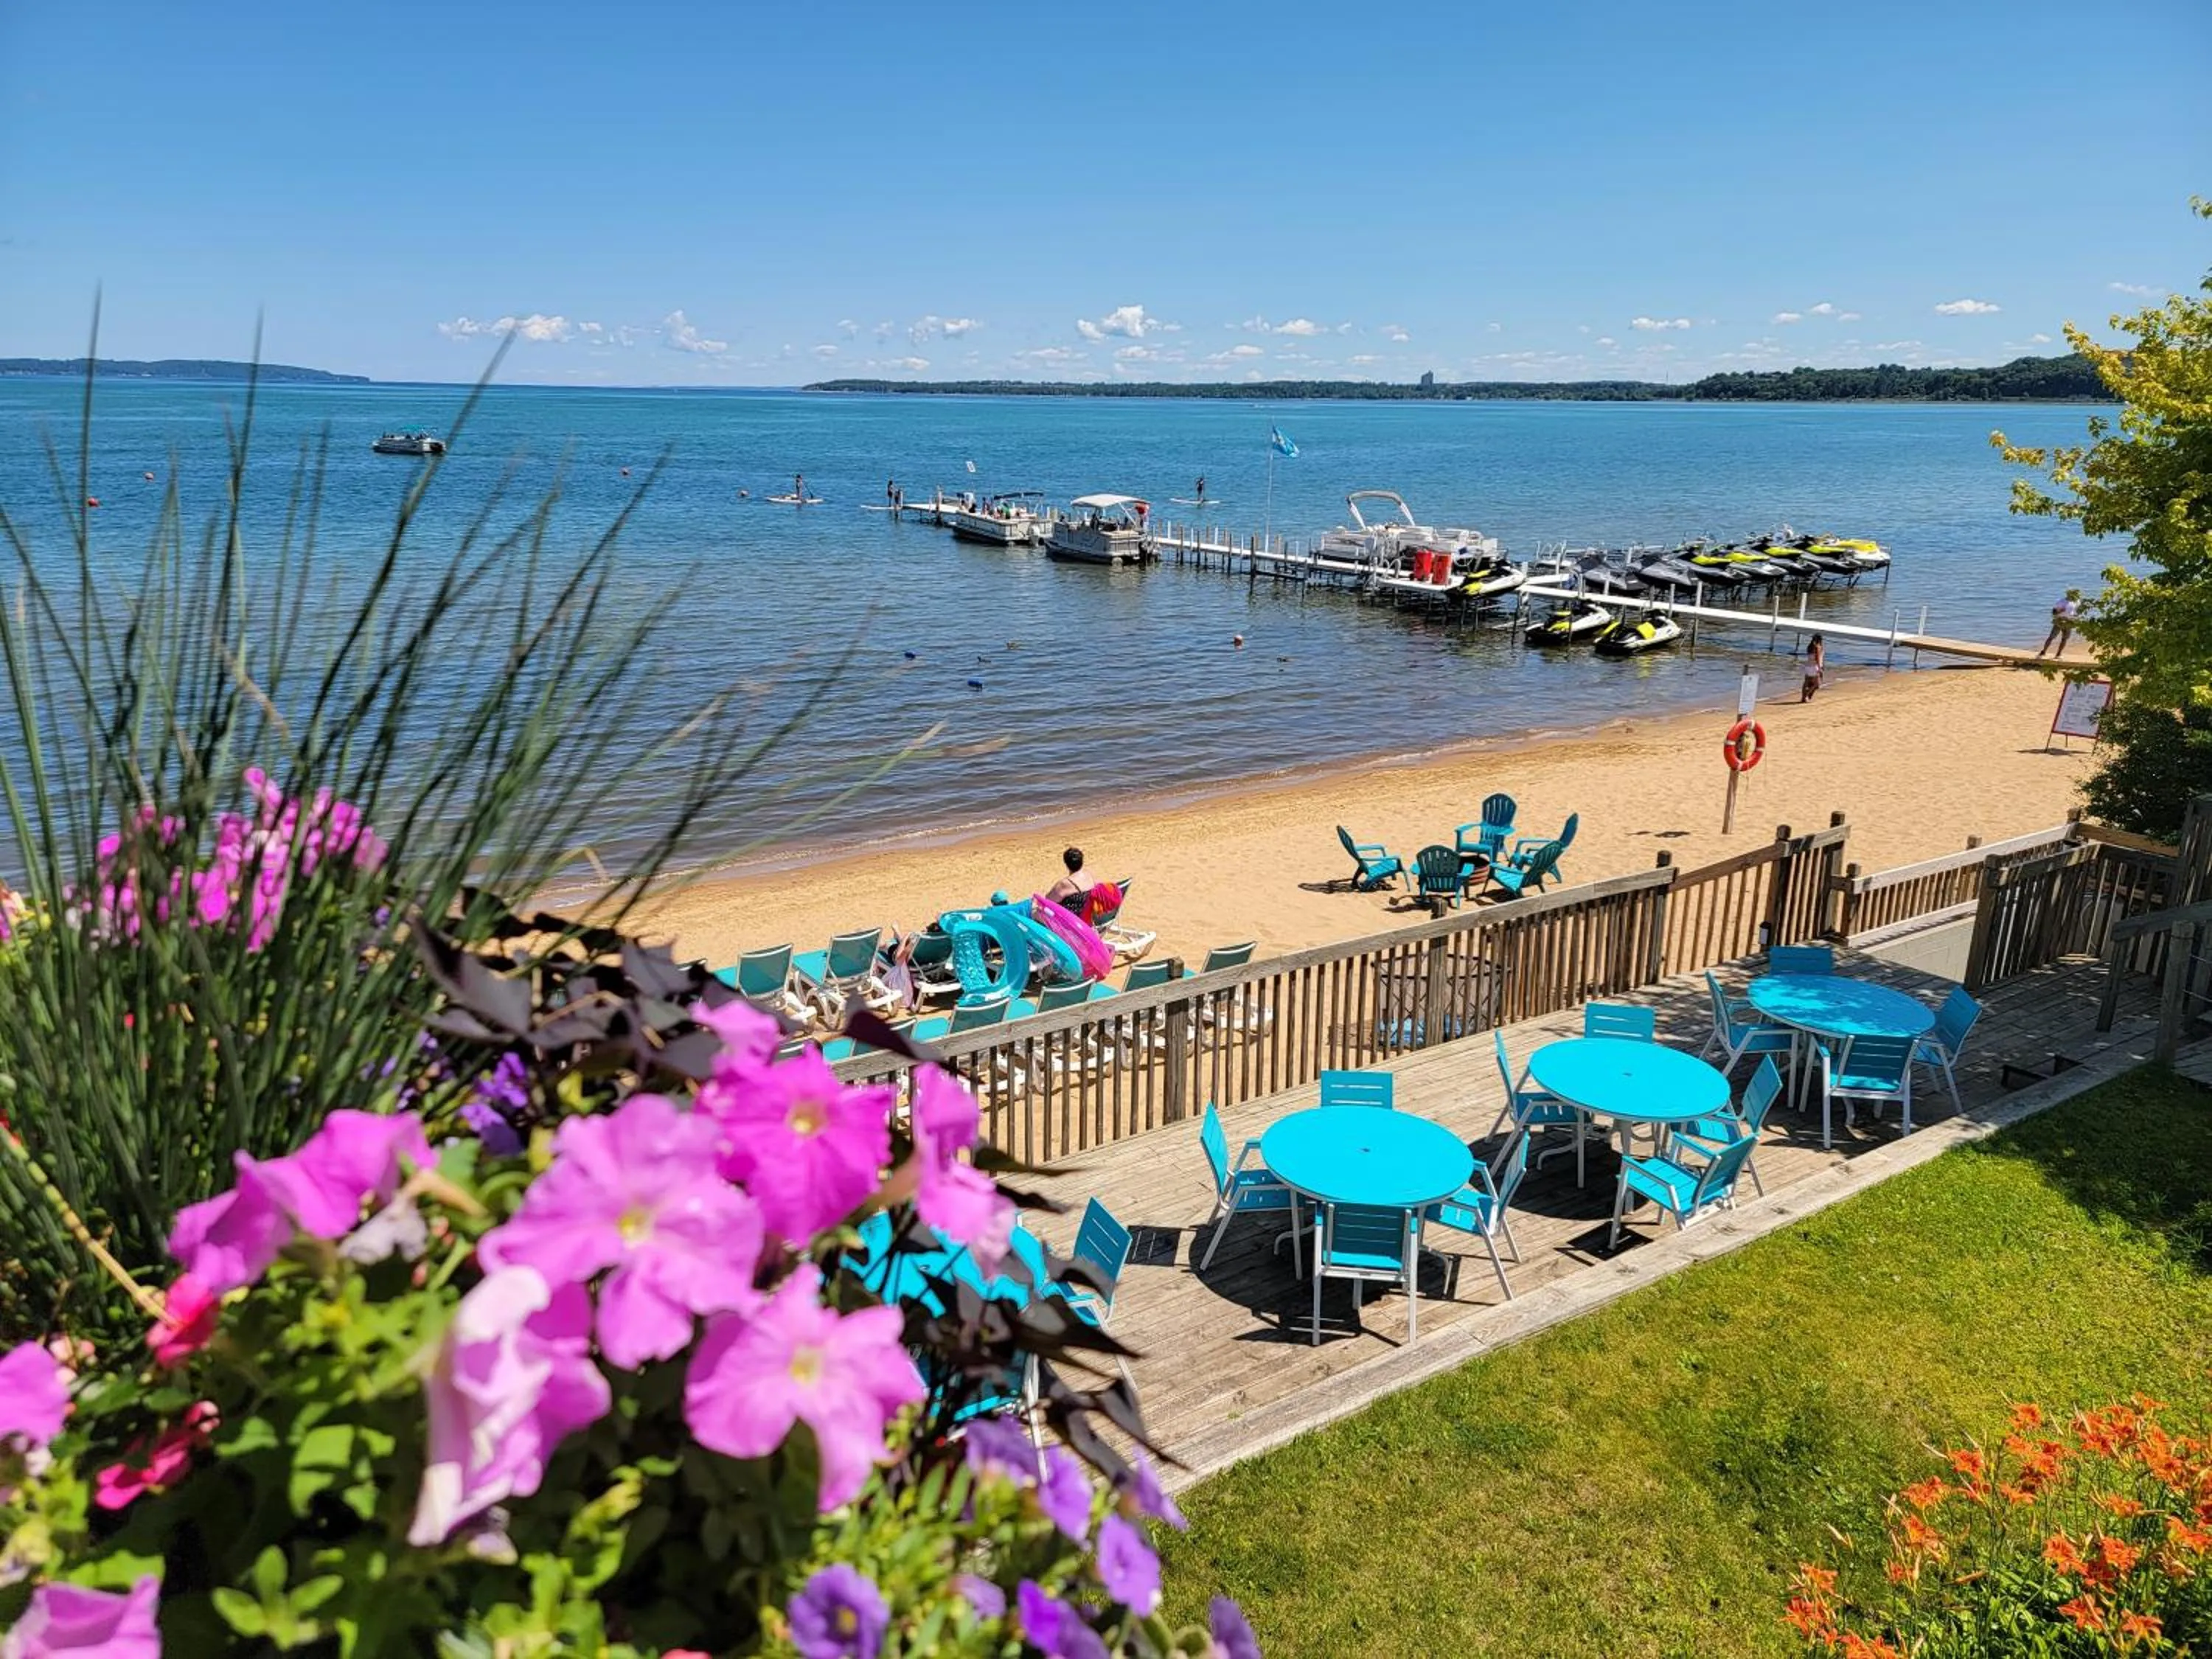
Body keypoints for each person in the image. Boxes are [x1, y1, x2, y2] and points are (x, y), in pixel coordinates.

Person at [1045, 846, 1091, 910]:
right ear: (1082, 862)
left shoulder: (1065, 884)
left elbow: (1048, 900)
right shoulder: (1088, 876)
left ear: (1066, 864)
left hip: (1070, 917)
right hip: (1086, 913)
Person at [2041, 589, 2081, 658]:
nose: (2076, 596)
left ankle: (2058, 654)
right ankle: (2043, 652)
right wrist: (2061, 610)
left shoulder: (2077, 601)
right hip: (2060, 621)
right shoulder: (2061, 601)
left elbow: (2078, 611)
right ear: (2068, 594)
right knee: (2052, 637)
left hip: (2069, 621)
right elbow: (2054, 612)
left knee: (2065, 638)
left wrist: (2076, 618)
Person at [1801, 633, 1825, 703]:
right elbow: (1818, 658)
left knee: (1806, 683)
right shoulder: (1818, 647)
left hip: (1808, 666)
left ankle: (1804, 697)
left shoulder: (1809, 646)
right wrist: (1820, 669)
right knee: (1816, 685)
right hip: (1815, 666)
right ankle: (1806, 696)